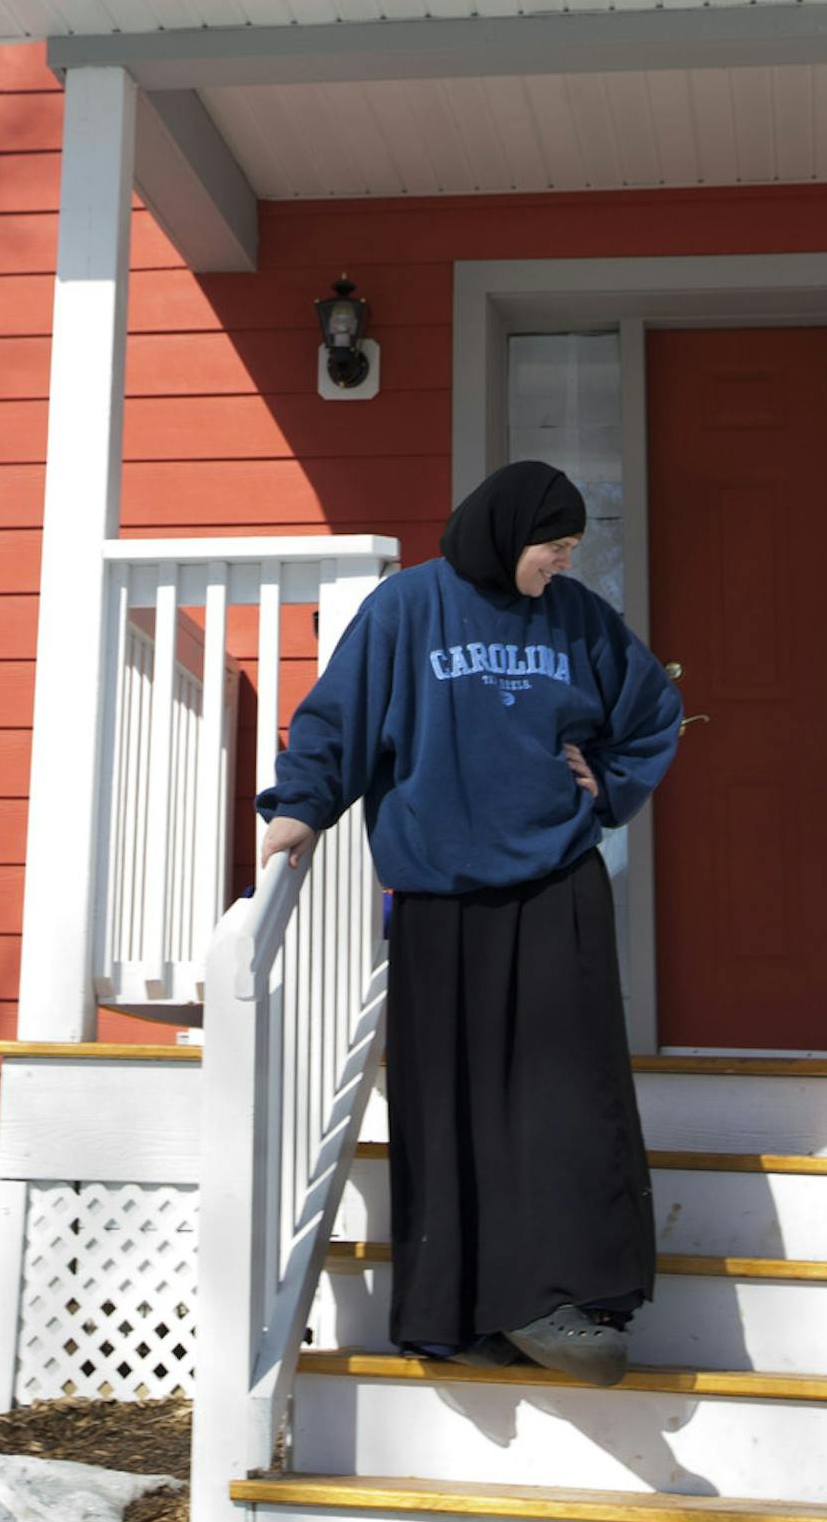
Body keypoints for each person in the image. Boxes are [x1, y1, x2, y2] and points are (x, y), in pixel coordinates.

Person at [256, 459, 681, 1384]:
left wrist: (606, 783)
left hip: (557, 885)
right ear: (505, 533)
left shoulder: (576, 620)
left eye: (571, 552)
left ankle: (572, 1299)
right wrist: (302, 805)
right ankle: (461, 1312)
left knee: (568, 1102)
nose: (558, 568)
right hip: (442, 896)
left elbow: (652, 710)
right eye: (550, 550)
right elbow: (340, 718)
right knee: (448, 1108)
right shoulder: (409, 608)